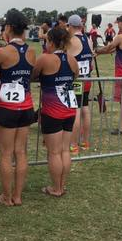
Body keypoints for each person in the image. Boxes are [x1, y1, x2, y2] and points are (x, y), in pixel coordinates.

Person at [0, 8, 35, 206]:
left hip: (7, 107)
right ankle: (17, 196)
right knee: (20, 152)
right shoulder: (32, 51)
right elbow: (26, 74)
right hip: (26, 106)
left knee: (6, 153)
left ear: (9, 28)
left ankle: (6, 197)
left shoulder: (3, 52)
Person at [33, 26, 78, 197]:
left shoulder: (45, 58)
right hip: (69, 108)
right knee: (65, 150)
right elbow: (75, 76)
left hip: (52, 110)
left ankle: (56, 188)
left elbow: (33, 75)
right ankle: (62, 185)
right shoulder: (71, 59)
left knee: (54, 152)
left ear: (51, 42)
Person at [94, 14, 122, 134]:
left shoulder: (121, 37)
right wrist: (100, 53)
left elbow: (109, 47)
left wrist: (97, 50)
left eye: (118, 23)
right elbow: (115, 49)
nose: (117, 25)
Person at [66, 14, 93, 153]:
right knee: (85, 108)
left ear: (70, 26)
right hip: (87, 79)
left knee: (75, 110)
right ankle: (85, 142)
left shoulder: (72, 40)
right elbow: (91, 61)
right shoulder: (88, 39)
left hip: (76, 80)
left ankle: (73, 144)